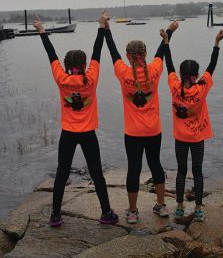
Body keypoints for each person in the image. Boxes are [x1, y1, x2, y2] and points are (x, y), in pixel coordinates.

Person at [33, 13, 118, 227]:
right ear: (83, 64)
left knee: (62, 172)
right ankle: (106, 212)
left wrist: (42, 31)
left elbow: (50, 54)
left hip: (68, 133)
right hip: (88, 133)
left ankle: (55, 216)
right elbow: (98, 51)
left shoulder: (61, 78)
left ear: (67, 64)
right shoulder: (91, 79)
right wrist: (101, 27)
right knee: (97, 172)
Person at [103, 12, 178, 224]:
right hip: (153, 129)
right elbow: (161, 52)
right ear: (144, 54)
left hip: (133, 132)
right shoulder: (154, 70)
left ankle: (133, 211)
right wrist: (169, 32)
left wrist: (106, 28)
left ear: (128, 56)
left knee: (134, 168)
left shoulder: (123, 73)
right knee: (156, 165)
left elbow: (112, 51)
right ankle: (162, 206)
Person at [160, 26, 223, 221]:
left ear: (181, 74)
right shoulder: (202, 88)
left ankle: (179, 206)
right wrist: (216, 43)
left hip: (181, 137)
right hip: (197, 137)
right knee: (197, 171)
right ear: (195, 75)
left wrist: (166, 41)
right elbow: (212, 66)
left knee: (181, 171)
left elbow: (168, 65)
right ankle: (198, 208)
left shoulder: (174, 87)